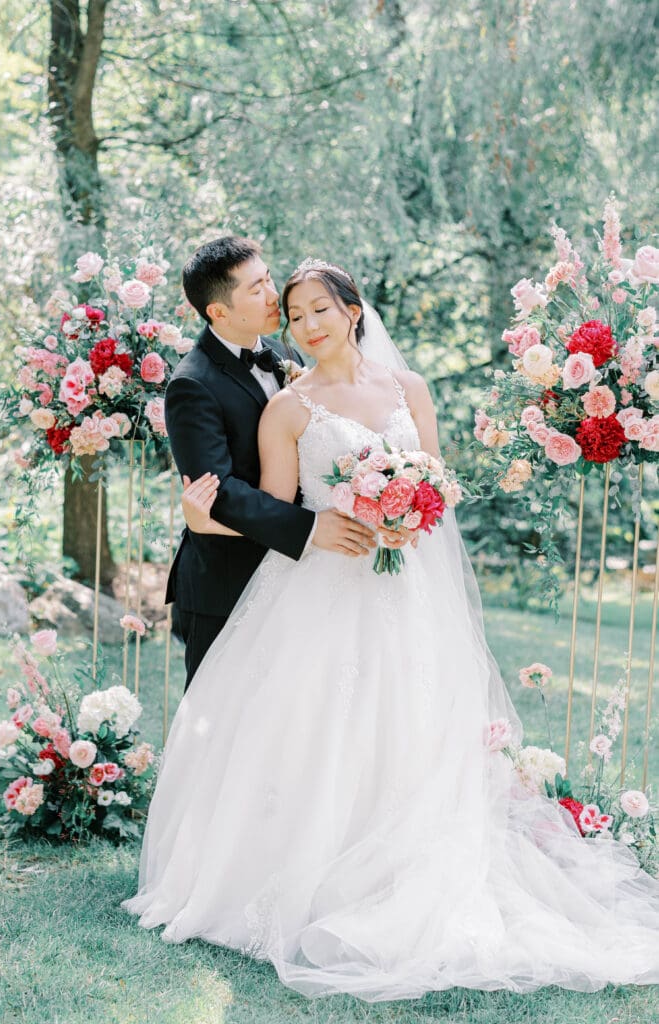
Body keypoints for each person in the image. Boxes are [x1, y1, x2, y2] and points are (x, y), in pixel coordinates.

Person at [124, 259, 659, 999]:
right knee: (319, 726)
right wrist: (214, 517)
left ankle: (415, 865)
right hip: (316, 584)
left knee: (415, 721)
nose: (306, 324)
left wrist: (409, 513)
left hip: (407, 586)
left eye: (319, 309)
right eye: (293, 312)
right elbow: (275, 503)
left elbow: (433, 480)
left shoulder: (408, 389)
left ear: (352, 310)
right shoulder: (287, 404)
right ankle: (300, 872)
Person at [165, 237, 377, 689]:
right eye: (256, 288)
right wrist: (313, 527)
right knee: (217, 723)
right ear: (218, 312)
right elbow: (218, 492)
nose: (272, 294)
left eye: (268, 279)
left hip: (300, 577)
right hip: (225, 582)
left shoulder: (291, 355)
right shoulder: (192, 384)